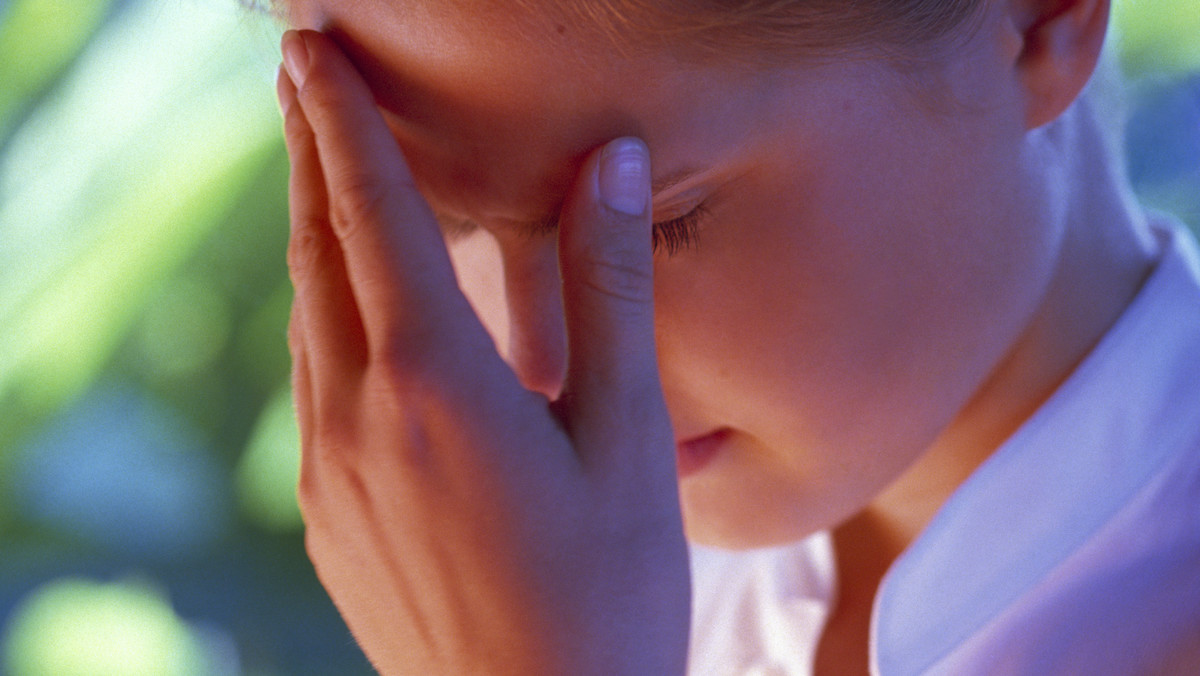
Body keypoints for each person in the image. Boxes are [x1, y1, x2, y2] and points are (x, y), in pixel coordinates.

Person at [271, 0, 1200, 672]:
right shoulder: (542, 566)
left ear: (1038, 21)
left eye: (651, 222)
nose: (533, 369)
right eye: (440, 223)